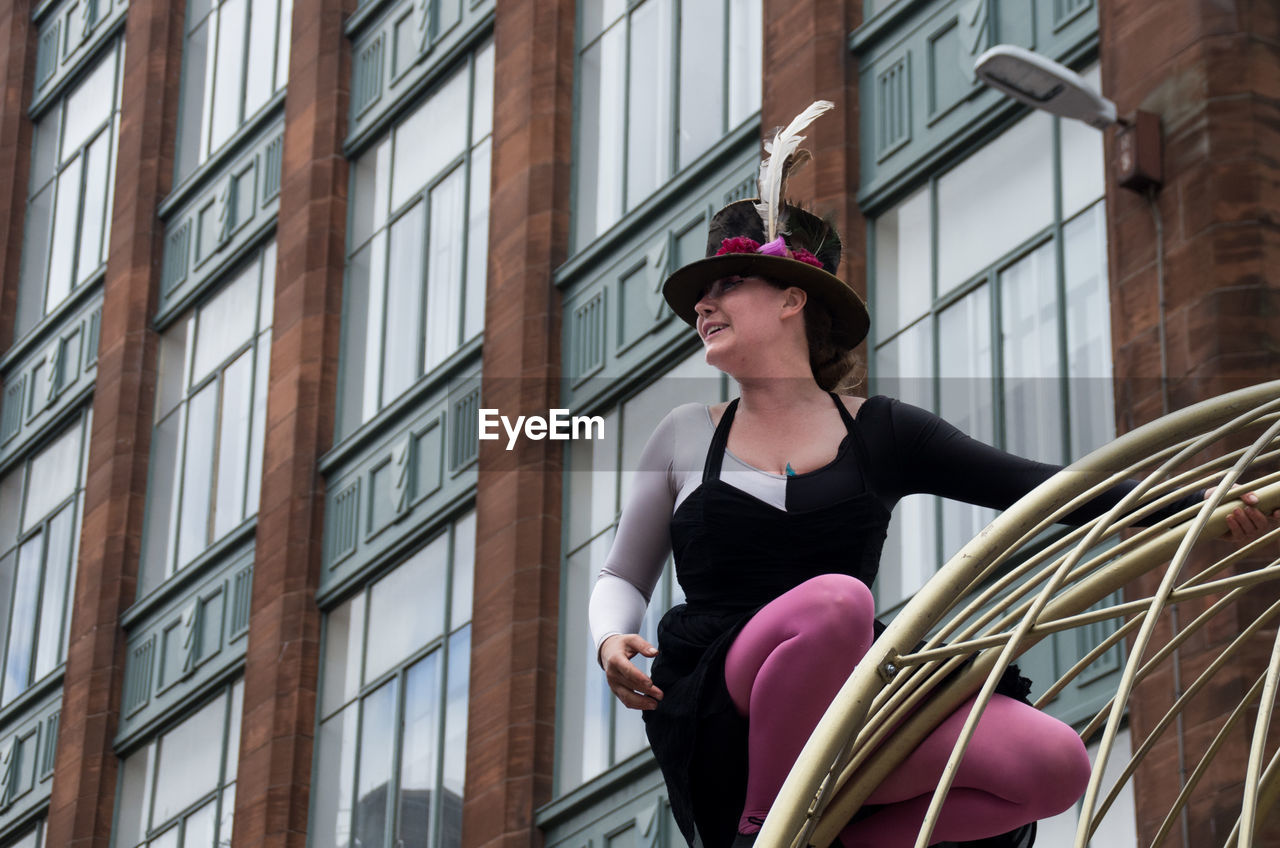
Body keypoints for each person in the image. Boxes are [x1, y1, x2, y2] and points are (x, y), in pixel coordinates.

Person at [587, 104, 1279, 848]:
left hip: (849, 701)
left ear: (793, 298)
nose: (703, 302)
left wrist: (1192, 502)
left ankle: (837, 840)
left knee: (1054, 765)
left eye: (729, 284)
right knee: (835, 603)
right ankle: (764, 833)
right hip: (725, 703)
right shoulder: (685, 433)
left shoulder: (882, 430)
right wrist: (608, 639)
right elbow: (624, 574)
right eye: (702, 293)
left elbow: (1048, 490)